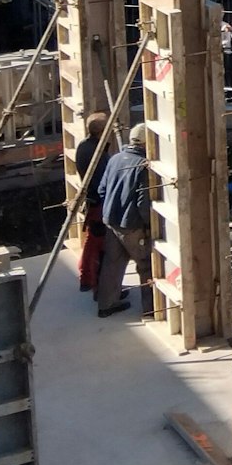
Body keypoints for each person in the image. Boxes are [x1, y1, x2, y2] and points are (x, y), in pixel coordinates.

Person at [95, 123, 154, 319]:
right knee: (146, 266)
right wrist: (149, 226)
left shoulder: (115, 159)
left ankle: (106, 305)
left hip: (111, 221)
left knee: (112, 264)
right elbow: (142, 203)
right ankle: (152, 310)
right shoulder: (143, 166)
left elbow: (102, 189)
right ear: (147, 143)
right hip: (132, 226)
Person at [74, 111, 112, 295]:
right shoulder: (98, 154)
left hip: (91, 201)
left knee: (92, 241)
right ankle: (99, 287)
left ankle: (86, 278)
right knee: (100, 245)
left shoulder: (83, 146)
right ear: (102, 131)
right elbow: (105, 180)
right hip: (98, 203)